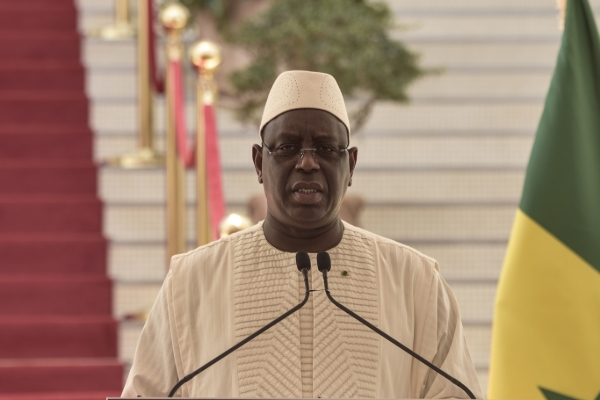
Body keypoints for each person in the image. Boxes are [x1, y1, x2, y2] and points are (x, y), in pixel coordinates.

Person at [122, 70, 483, 398]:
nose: (307, 162)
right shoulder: (192, 282)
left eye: (326, 148)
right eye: (286, 147)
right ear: (260, 163)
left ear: (350, 164)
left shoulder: (414, 280)